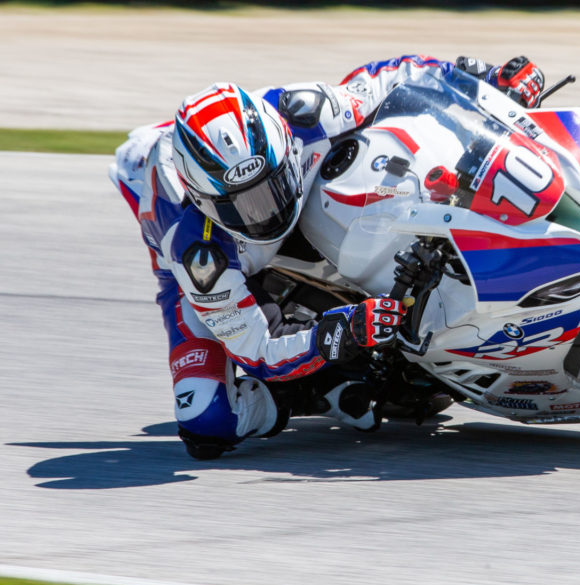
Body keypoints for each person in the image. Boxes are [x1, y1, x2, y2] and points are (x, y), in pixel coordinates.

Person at [110, 55, 545, 460]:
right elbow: (258, 349)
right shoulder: (195, 250)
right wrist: (342, 332)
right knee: (205, 423)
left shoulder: (303, 111)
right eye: (242, 206)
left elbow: (393, 79)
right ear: (204, 200)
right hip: (205, 252)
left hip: (282, 175)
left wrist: (483, 80)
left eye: (272, 186)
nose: (266, 211)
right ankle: (316, 392)